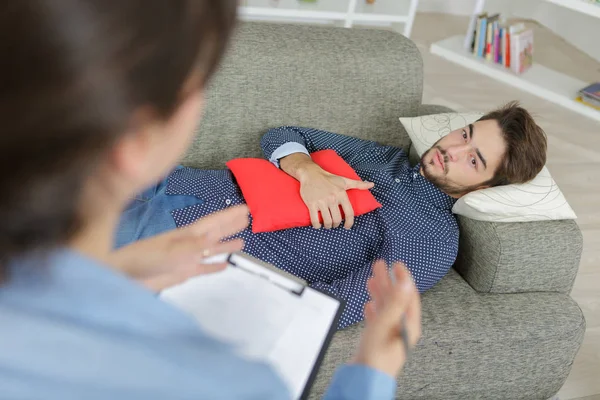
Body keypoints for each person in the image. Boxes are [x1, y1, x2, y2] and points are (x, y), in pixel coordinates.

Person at [0, 1, 422, 399]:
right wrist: (372, 369)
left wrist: (115, 273)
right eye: (197, 85)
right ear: (134, 142)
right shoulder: (225, 382)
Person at [116, 102, 548, 328]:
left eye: (473, 160)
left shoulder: (434, 238)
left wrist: (235, 299)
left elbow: (349, 301)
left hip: (183, 239)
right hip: (168, 180)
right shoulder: (382, 157)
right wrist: (307, 171)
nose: (451, 150)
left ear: (485, 187)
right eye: (464, 134)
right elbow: (285, 134)